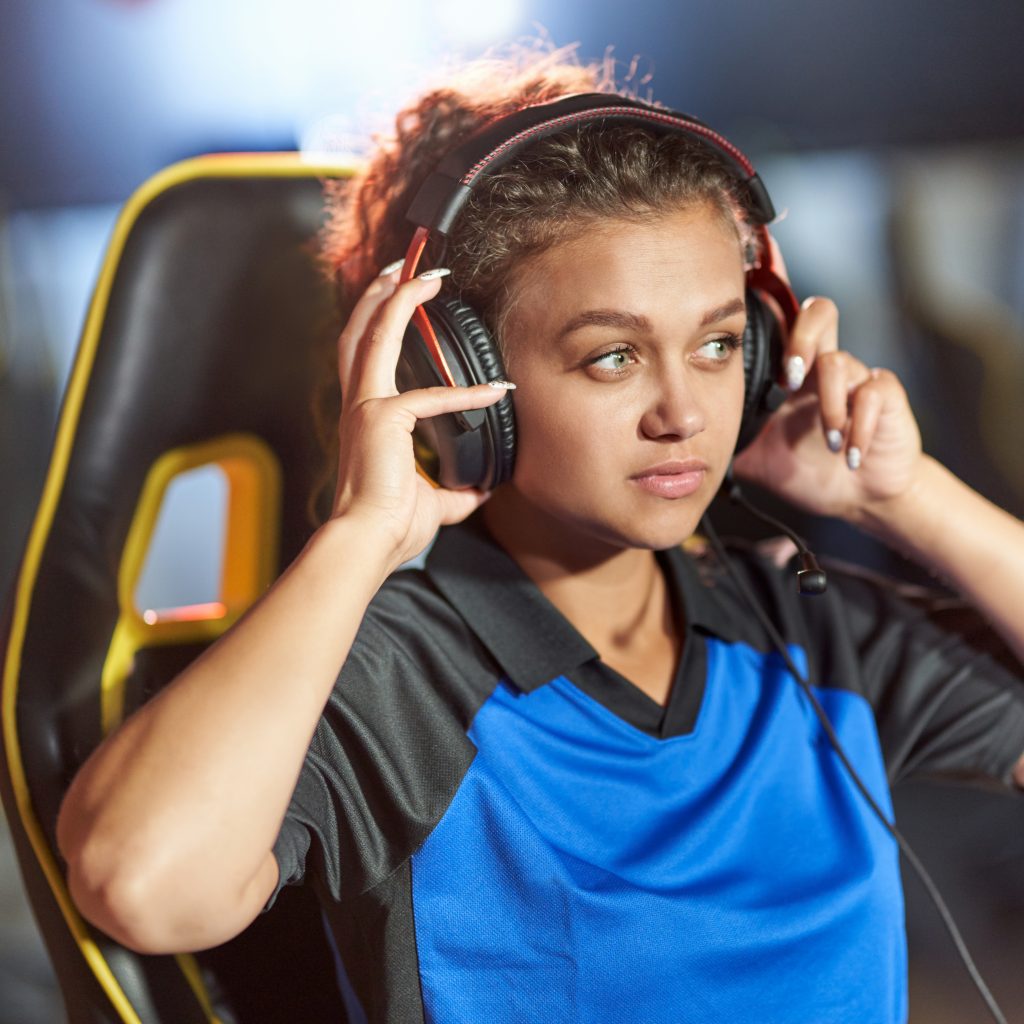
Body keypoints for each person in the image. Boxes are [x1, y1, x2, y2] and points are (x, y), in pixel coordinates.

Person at [56, 46, 1024, 1024]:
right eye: (611, 357)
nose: (684, 411)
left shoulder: (804, 627)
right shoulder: (400, 674)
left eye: (720, 343)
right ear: (457, 388)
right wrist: (361, 532)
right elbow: (144, 883)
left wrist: (898, 497)